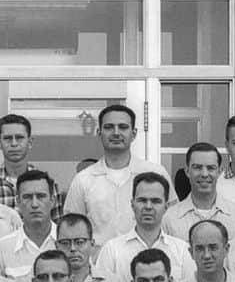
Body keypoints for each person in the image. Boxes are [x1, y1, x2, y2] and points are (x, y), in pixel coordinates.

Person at [64, 104, 173, 245]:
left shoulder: (156, 173)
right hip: (99, 264)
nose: (116, 133)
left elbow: (170, 223)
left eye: (123, 127)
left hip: (149, 262)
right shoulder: (83, 180)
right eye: (109, 127)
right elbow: (72, 230)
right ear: (99, 133)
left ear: (133, 134)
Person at [96, 171, 194, 282]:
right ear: (132, 204)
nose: (148, 207)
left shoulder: (182, 251)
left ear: (166, 206)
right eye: (142, 200)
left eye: (155, 201)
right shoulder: (112, 250)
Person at [162, 142, 235, 242]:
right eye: (197, 168)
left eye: (211, 168)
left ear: (219, 172)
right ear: (187, 171)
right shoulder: (169, 219)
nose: (204, 174)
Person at [0, 114, 64, 223]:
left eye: (19, 138)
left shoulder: (47, 184)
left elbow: (56, 229)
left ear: (30, 142)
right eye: (8, 138)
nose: (14, 144)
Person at [0, 169, 58, 282]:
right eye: (27, 197)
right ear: (18, 202)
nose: (34, 204)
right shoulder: (1, 249)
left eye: (41, 196)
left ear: (52, 201)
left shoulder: (68, 244)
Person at [55, 213, 126, 282]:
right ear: (56, 246)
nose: (72, 248)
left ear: (92, 244)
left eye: (79, 242)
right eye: (65, 243)